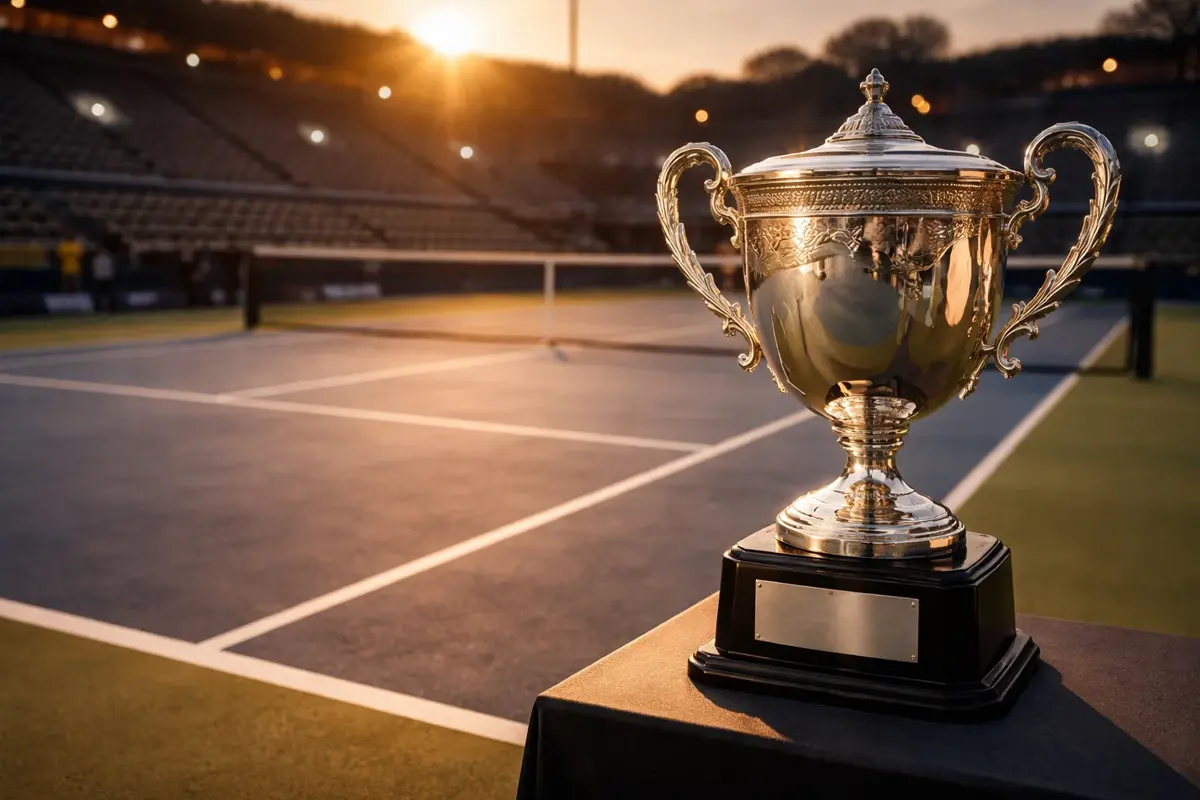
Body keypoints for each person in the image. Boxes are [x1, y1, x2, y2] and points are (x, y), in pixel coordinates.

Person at [90, 245, 116, 313]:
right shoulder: (96, 259)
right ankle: (97, 309)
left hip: (107, 278)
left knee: (109, 294)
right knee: (98, 295)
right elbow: (94, 269)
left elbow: (111, 268)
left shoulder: (108, 258)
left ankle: (111, 309)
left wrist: (110, 276)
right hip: (99, 278)